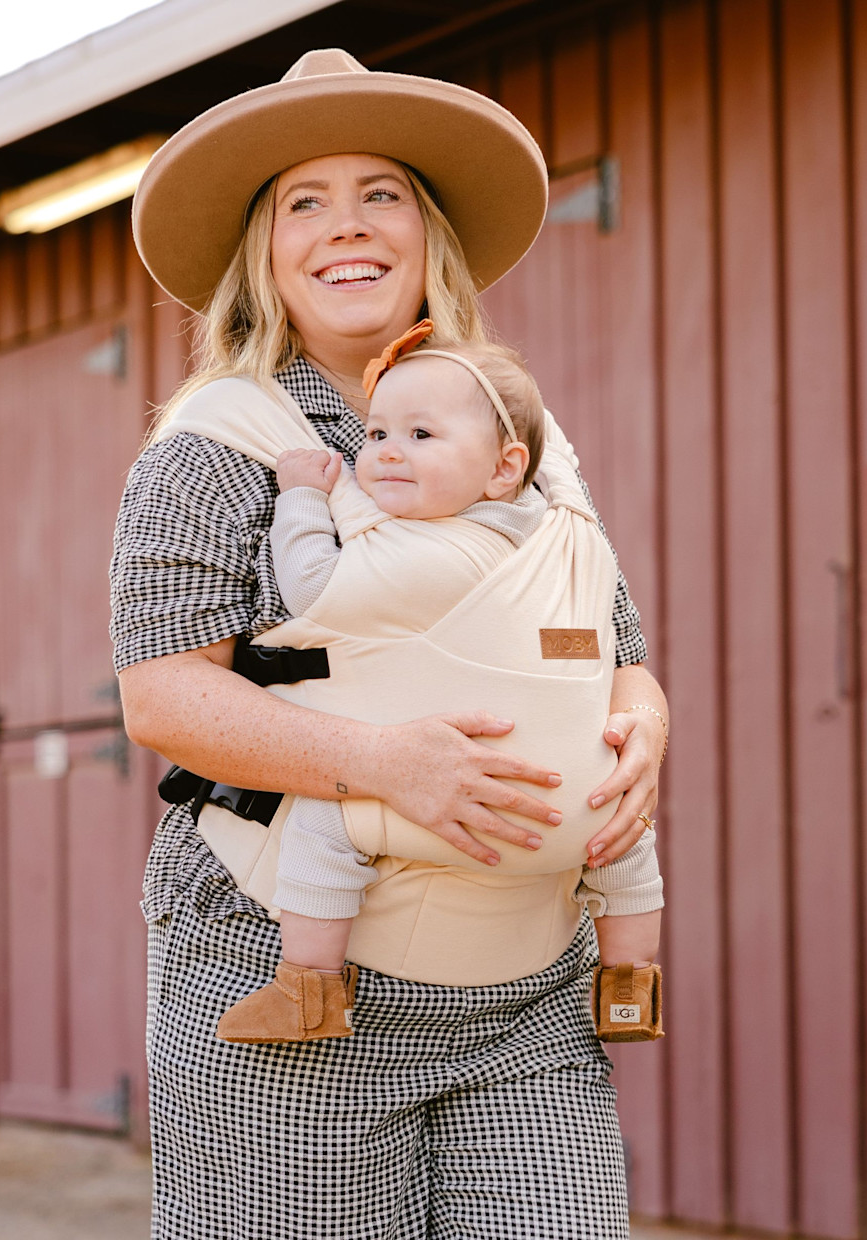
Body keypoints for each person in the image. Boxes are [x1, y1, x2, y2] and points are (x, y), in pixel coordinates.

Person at [114, 48, 668, 1239]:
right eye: (304, 202)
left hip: (526, 990)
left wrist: (644, 732)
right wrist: (385, 764)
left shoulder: (526, 440)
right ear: (265, 252)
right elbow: (162, 698)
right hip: (289, 962)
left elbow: (615, 647)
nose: (347, 224)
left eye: (382, 194)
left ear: (428, 236)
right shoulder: (215, 443)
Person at [193, 327, 664, 1044]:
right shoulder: (567, 535)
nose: (386, 451)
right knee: (630, 852)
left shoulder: (418, 557)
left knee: (321, 826)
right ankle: (630, 988)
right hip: (585, 818)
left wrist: (304, 498)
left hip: (460, 813)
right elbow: (616, 645)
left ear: (503, 468)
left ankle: (308, 987)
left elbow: (311, 584)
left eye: (419, 435)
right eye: (376, 432)